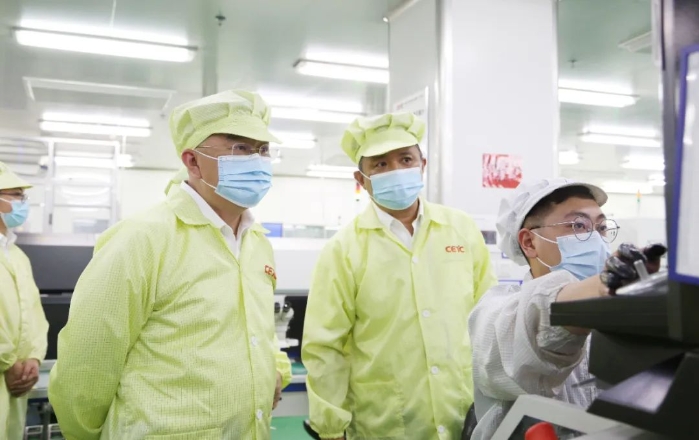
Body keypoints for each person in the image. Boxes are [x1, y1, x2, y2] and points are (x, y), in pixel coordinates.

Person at [49, 90, 292, 440]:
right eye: (240, 147)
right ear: (192, 161)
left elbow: (260, 331)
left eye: (263, 149)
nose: (256, 160)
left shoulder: (257, 242)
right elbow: (87, 363)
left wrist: (274, 371)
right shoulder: (142, 239)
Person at [302, 112, 498, 440]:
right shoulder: (344, 249)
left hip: (465, 413)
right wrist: (331, 426)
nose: (395, 170)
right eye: (380, 164)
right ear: (361, 179)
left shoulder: (460, 229)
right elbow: (325, 346)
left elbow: (489, 316)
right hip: (384, 422)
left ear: (422, 165)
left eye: (405, 159)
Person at [468, 178, 666, 439]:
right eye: (578, 225)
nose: (595, 238)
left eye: (601, 227)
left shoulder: (615, 310)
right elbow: (534, 321)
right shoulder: (497, 310)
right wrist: (604, 285)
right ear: (529, 242)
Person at [0, 161, 49, 440]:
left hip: (17, 381)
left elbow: (33, 314)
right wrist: (6, 363)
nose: (22, 203)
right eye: (16, 195)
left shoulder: (18, 256)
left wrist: (33, 357)